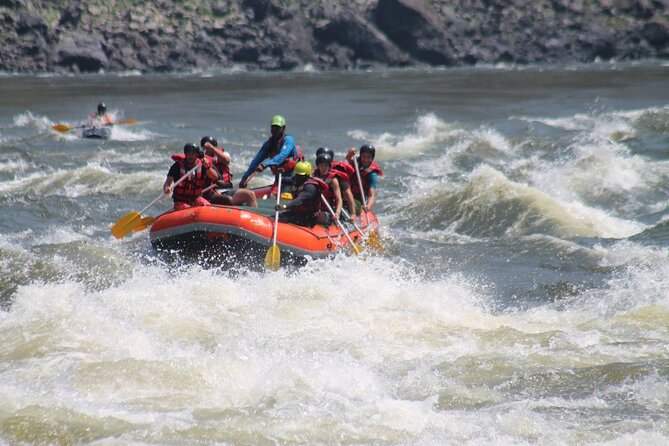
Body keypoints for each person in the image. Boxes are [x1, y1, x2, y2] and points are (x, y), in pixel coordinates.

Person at [238, 115, 303, 196]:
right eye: (273, 127)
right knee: (272, 195)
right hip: (279, 176)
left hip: (294, 176)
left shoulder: (288, 140)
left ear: (283, 128)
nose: (274, 130)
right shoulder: (269, 144)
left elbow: (282, 156)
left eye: (277, 128)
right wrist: (245, 178)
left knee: (283, 196)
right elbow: (256, 161)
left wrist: (265, 164)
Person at [200, 136, 258, 208]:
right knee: (228, 200)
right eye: (205, 148)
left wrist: (212, 148)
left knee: (250, 194)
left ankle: (253, 217)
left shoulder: (224, 154)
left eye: (209, 147)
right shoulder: (202, 160)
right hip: (213, 191)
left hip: (226, 188)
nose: (207, 150)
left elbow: (226, 160)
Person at [163, 143, 218, 211]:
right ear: (185, 154)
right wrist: (167, 188)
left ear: (197, 154)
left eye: (193, 153)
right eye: (188, 153)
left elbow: (215, 177)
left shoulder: (202, 165)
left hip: (196, 199)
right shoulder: (177, 166)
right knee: (188, 210)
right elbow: (168, 182)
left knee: (208, 209)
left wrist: (208, 167)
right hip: (180, 201)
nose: (190, 156)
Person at [274, 161, 329, 227]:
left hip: (308, 217)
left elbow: (299, 200)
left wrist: (284, 206)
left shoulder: (311, 187)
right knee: (274, 217)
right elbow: (280, 180)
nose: (297, 177)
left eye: (300, 175)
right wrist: (278, 173)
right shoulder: (297, 180)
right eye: (296, 174)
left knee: (284, 219)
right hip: (296, 213)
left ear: (306, 176)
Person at [316, 147, 357, 222]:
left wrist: (353, 213)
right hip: (321, 207)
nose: (323, 167)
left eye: (326, 164)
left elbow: (348, 194)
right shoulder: (315, 174)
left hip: (340, 206)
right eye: (321, 164)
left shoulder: (336, 177)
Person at [312, 152, 349, 224]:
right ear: (318, 166)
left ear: (329, 166)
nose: (324, 168)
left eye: (326, 166)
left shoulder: (333, 180)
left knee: (317, 217)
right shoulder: (314, 176)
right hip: (317, 209)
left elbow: (339, 199)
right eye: (321, 166)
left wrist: (337, 213)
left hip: (330, 211)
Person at [346, 144, 383, 212]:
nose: (366, 160)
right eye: (364, 156)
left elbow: (371, 195)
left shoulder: (372, 174)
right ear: (360, 156)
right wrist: (350, 153)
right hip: (345, 195)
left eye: (369, 157)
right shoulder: (357, 162)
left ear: (372, 158)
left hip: (357, 201)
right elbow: (349, 159)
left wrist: (368, 206)